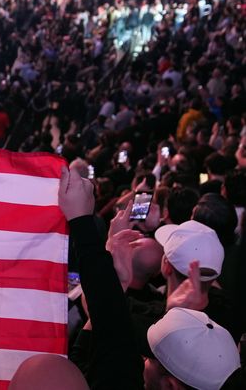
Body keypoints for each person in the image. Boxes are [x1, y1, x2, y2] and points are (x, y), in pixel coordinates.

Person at [60, 166, 244, 389]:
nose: (144, 360)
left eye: (151, 356)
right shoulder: (232, 314)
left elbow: (104, 317)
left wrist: (111, 259)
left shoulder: (138, 317)